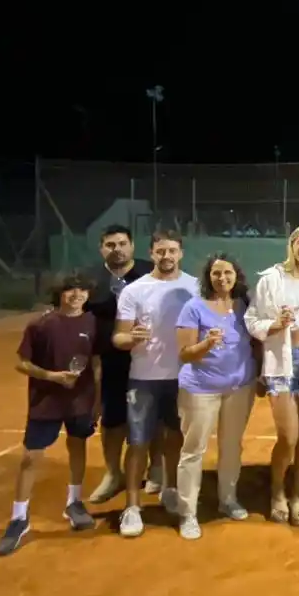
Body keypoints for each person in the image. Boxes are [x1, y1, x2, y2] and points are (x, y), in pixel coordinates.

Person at [0, 272, 100, 557]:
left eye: (81, 290)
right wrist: (52, 376)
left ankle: (74, 503)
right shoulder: (41, 324)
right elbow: (22, 364)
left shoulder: (92, 323)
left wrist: (97, 400)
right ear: (59, 293)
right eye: (70, 290)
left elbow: (96, 364)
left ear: (88, 295)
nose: (76, 295)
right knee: (30, 458)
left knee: (77, 447)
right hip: (46, 402)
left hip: (80, 401)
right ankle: (19, 518)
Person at [112, 229, 198, 538]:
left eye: (172, 251)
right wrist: (129, 338)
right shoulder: (134, 290)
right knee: (138, 443)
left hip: (183, 378)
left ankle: (171, 489)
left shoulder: (194, 287)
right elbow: (118, 336)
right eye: (160, 251)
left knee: (176, 439)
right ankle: (132, 506)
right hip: (143, 378)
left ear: (181, 253)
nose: (166, 256)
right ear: (151, 253)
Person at [173, 253, 259, 541]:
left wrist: (258, 377)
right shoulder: (193, 308)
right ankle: (188, 513)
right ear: (208, 277)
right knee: (193, 450)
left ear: (237, 276)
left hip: (240, 388)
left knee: (232, 447)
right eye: (216, 274)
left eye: (227, 273)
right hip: (200, 389)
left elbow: (254, 344)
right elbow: (184, 354)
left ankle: (228, 499)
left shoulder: (244, 306)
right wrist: (207, 343)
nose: (222, 278)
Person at [245, 224, 299, 527]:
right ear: (291, 244)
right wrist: (274, 326)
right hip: (282, 362)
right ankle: (277, 492)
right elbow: (252, 319)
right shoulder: (270, 279)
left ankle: (297, 494)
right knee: (288, 436)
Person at [84, 224, 156, 505]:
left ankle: (154, 470)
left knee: (152, 417)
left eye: (122, 243)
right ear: (102, 248)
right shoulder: (91, 280)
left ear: (132, 246)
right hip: (109, 362)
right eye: (111, 245)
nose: (117, 249)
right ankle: (113, 473)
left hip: (149, 358)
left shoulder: (150, 274)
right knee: (112, 421)